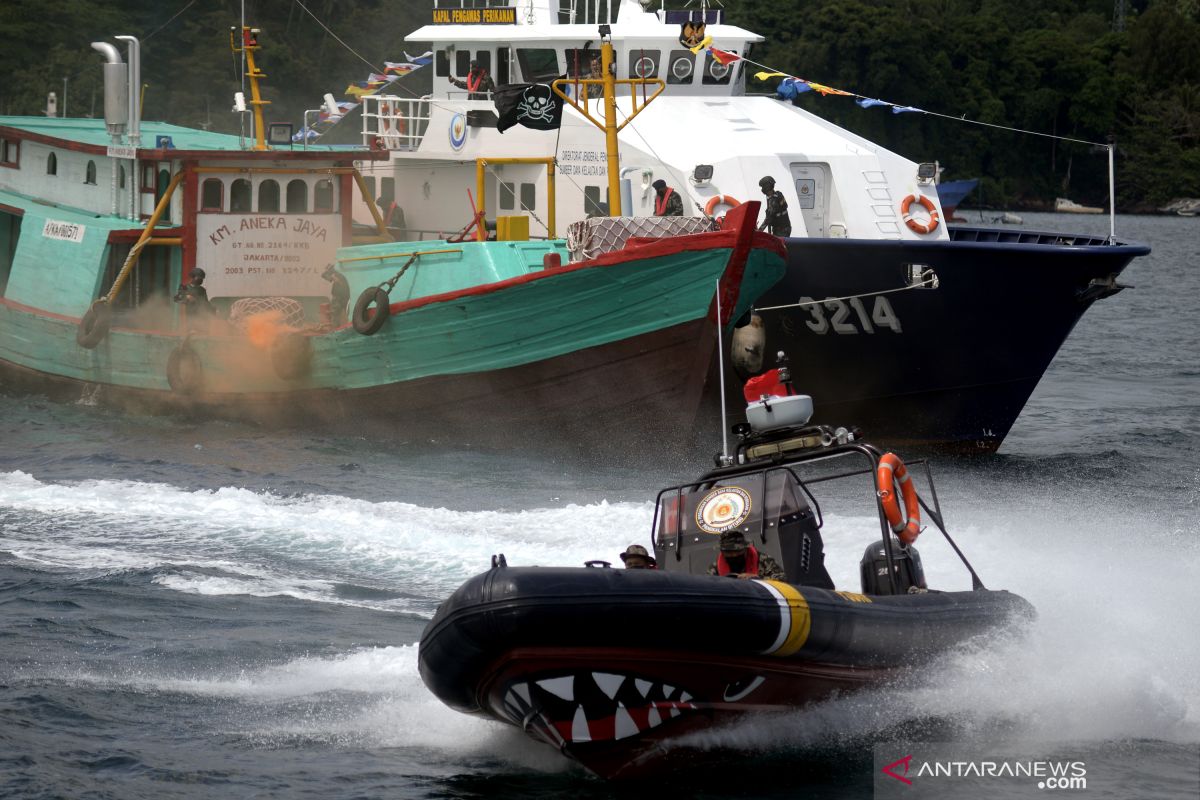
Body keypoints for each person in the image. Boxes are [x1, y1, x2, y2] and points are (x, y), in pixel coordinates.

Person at [707, 530, 786, 580]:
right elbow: (709, 588)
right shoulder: (715, 568)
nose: (734, 555)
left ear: (745, 549)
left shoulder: (764, 560)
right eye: (729, 552)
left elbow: (782, 579)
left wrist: (757, 579)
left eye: (738, 551)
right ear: (722, 552)